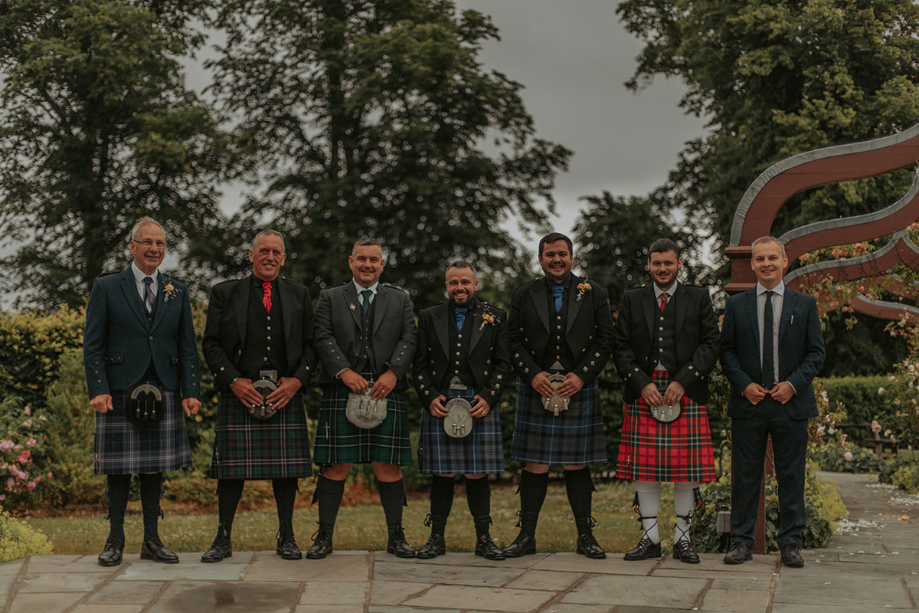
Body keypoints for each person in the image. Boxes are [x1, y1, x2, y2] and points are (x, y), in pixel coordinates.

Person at [83, 217, 201, 566]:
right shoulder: (107, 286)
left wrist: (190, 390)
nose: (154, 249)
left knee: (153, 468)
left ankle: (151, 540)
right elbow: (93, 343)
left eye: (160, 243)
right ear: (132, 246)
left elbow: (187, 345)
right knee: (119, 470)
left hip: (163, 387)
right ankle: (114, 540)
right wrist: (99, 387)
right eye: (147, 242)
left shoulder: (177, 290)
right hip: (120, 389)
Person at [199, 229, 316, 562]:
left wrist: (297, 381)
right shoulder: (225, 293)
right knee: (230, 472)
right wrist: (233, 381)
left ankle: (287, 536)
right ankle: (222, 538)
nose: (270, 257)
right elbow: (212, 344)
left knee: (286, 472)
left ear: (284, 258)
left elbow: (311, 345)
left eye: (276, 252)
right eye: (263, 251)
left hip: (284, 395)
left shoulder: (299, 294)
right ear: (251, 255)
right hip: (241, 394)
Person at [504, 232, 614, 559]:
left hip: (577, 387)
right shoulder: (523, 294)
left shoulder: (594, 293)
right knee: (534, 463)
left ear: (572, 257)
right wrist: (532, 374)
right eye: (550, 254)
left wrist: (581, 375)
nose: (557, 260)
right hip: (536, 387)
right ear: (540, 259)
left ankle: (586, 537)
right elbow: (512, 341)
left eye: (562, 254)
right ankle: (526, 536)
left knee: (576, 463)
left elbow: (606, 340)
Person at [308, 237, 417, 559]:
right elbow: (322, 335)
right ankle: (323, 537)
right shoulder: (330, 297)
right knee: (335, 465)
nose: (367, 265)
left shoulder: (400, 299)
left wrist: (393, 373)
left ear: (382, 264)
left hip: (386, 386)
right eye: (362, 259)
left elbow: (409, 338)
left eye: (373, 260)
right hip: (342, 386)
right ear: (351, 262)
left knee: (388, 465)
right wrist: (343, 371)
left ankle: (396, 537)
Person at [613, 238, 720, 564]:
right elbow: (620, 346)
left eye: (668, 263)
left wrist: (683, 381)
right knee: (645, 472)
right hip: (644, 391)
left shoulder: (698, 297)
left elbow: (710, 343)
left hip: (685, 390)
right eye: (656, 263)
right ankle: (650, 539)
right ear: (648, 265)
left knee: (686, 472)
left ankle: (683, 541)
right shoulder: (632, 298)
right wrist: (641, 383)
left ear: (679, 264)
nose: (662, 269)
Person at [720, 236, 825, 568]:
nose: (766, 264)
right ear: (752, 264)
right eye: (760, 259)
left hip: (790, 404)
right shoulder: (736, 306)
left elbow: (816, 353)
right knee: (744, 477)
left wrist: (792, 385)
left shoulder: (804, 304)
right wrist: (744, 385)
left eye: (772, 258)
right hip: (749, 404)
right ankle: (741, 542)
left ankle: (791, 544)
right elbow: (726, 352)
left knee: (791, 477)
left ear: (784, 261)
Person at [413, 261, 511, 561]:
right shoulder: (429, 316)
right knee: (441, 473)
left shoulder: (495, 316)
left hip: (477, 401)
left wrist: (489, 397)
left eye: (465, 282)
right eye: (454, 282)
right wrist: (429, 396)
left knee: (477, 473)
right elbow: (419, 364)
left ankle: (484, 539)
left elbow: (503, 364)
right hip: (441, 402)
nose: (460, 287)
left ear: (476, 284)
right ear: (447, 285)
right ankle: (436, 539)